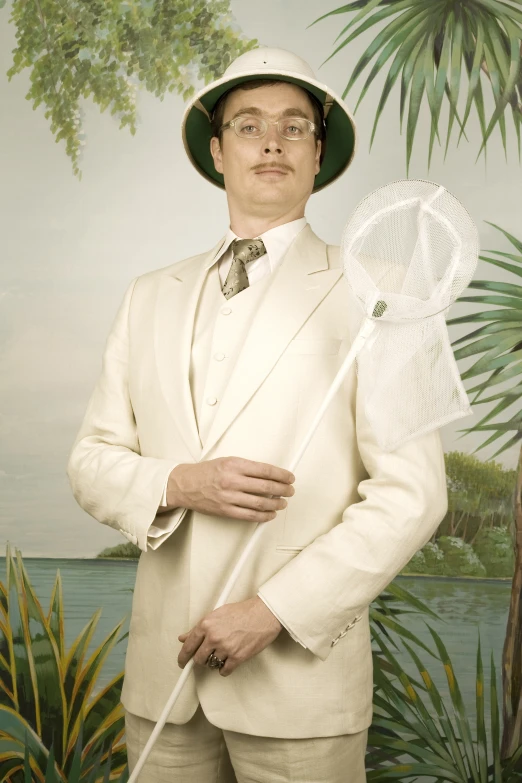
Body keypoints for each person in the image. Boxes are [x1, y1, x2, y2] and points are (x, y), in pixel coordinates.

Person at [67, 47, 448, 783]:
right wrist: (179, 482)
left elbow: (414, 493)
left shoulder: (380, 289)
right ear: (217, 150)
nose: (271, 141)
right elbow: (91, 460)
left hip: (299, 690)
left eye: (294, 126)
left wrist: (272, 609)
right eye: (248, 125)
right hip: (161, 685)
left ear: (318, 151)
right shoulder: (149, 294)